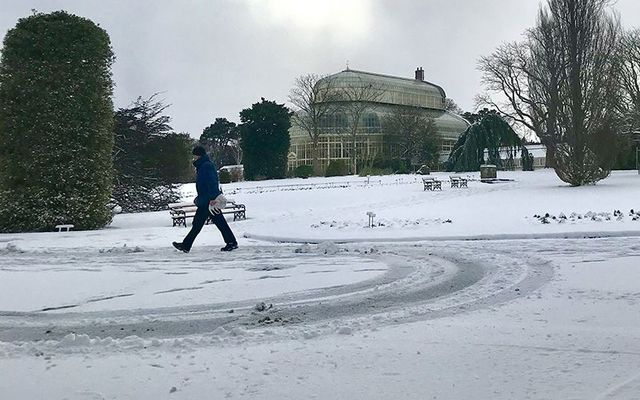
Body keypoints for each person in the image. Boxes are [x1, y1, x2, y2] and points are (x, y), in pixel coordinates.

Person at [172, 146, 238, 253]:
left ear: (199, 155)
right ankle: (186, 245)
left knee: (206, 223)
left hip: (208, 200)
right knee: (207, 223)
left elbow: (212, 182)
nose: (194, 158)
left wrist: (212, 198)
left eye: (195, 156)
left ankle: (186, 245)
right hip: (205, 199)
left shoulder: (206, 166)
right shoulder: (203, 166)